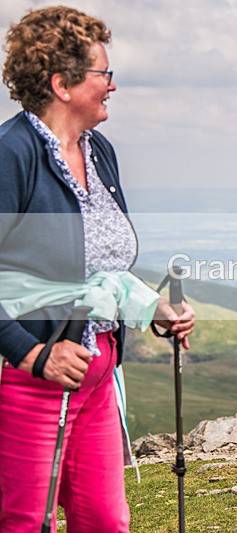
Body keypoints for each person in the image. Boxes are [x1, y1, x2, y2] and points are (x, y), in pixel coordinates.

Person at [0, 7, 195, 532]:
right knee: (23, 522)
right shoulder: (12, 154)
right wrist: (32, 353)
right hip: (26, 378)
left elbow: (102, 269)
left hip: (98, 370)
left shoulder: (99, 151)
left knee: (104, 521)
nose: (112, 86)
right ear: (62, 84)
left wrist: (155, 309)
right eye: (103, 74)